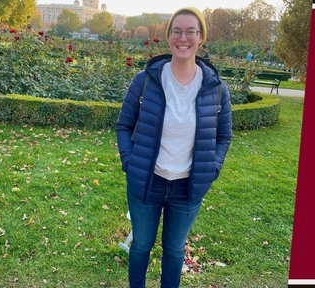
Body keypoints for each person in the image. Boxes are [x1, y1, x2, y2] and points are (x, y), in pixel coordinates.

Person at [116, 7, 233, 288]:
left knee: (174, 250)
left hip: (188, 186)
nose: (184, 37)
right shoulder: (145, 81)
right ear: (168, 37)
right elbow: (123, 126)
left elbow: (224, 136)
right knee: (141, 246)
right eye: (177, 31)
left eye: (190, 31)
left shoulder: (216, 89)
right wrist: (130, 163)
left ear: (200, 37)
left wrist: (212, 168)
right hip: (147, 180)